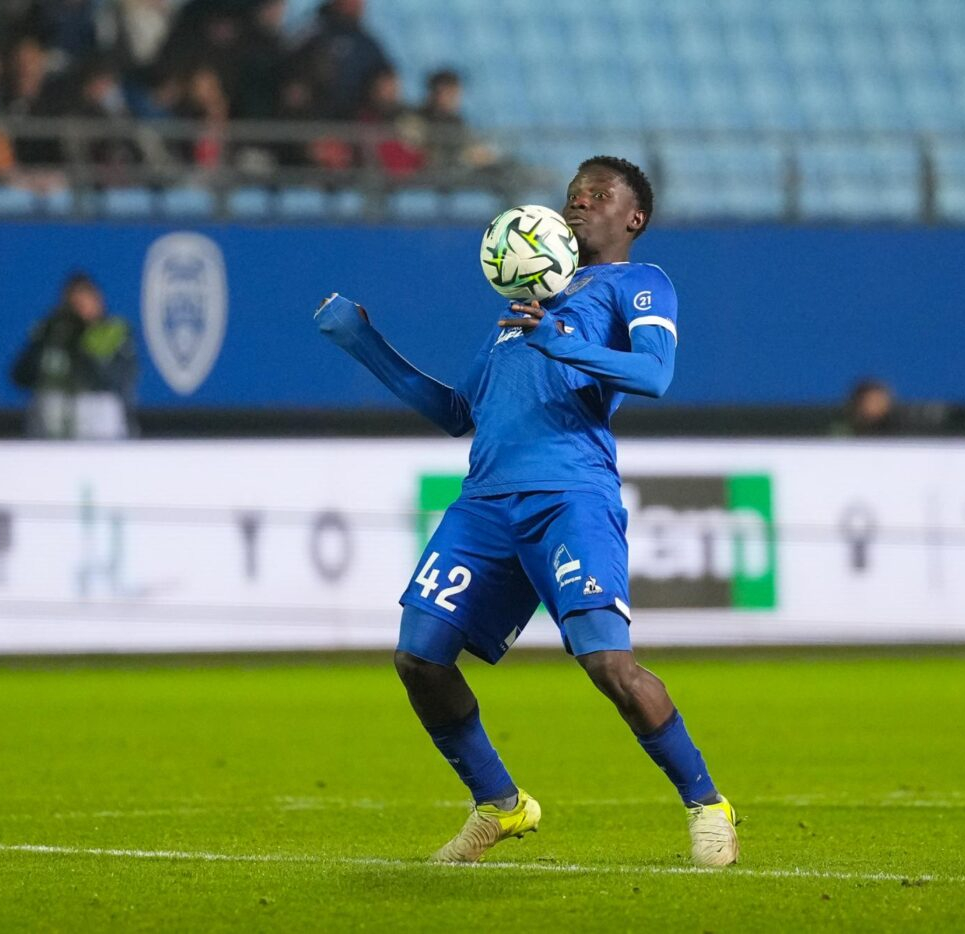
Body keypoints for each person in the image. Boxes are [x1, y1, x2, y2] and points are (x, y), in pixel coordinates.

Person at [314, 156, 739, 868]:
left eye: (597, 195)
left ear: (634, 216)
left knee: (609, 664)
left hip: (571, 497)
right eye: (573, 195)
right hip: (484, 504)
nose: (579, 204)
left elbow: (655, 373)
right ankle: (500, 805)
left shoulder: (639, 283)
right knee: (418, 658)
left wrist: (561, 340)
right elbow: (458, 412)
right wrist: (365, 344)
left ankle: (707, 804)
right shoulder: (526, 305)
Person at [11, 272, 138, 439]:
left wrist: (82, 341)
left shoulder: (112, 331)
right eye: (75, 302)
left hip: (97, 417)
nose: (80, 307)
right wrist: (53, 337)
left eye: (86, 299)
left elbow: (116, 379)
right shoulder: (51, 332)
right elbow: (20, 376)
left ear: (97, 300)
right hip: (53, 417)